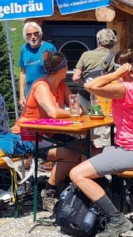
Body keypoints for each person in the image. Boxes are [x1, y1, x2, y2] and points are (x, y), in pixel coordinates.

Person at [69, 53, 133, 237]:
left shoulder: (126, 89)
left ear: (124, 69)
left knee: (77, 174)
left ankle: (116, 218)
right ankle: (99, 206)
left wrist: (115, 74)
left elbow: (89, 86)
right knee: (91, 157)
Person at [15, 49, 92, 200]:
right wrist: (72, 112)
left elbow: (79, 108)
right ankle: (49, 191)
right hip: (29, 135)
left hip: (47, 133)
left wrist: (73, 110)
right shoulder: (42, 86)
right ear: (64, 68)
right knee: (71, 153)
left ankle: (80, 188)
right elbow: (53, 113)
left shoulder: (61, 85)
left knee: (84, 148)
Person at [18, 22, 58, 100]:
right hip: (30, 95)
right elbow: (23, 73)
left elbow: (57, 72)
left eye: (35, 33)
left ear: (40, 34)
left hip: (47, 93)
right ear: (25, 37)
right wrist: (22, 95)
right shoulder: (24, 49)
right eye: (29, 34)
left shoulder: (50, 48)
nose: (33, 37)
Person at [74, 28, 118, 93]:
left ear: (99, 41)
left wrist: (86, 81)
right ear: (112, 43)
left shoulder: (86, 55)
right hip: (103, 94)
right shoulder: (115, 57)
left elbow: (76, 78)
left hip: (86, 93)